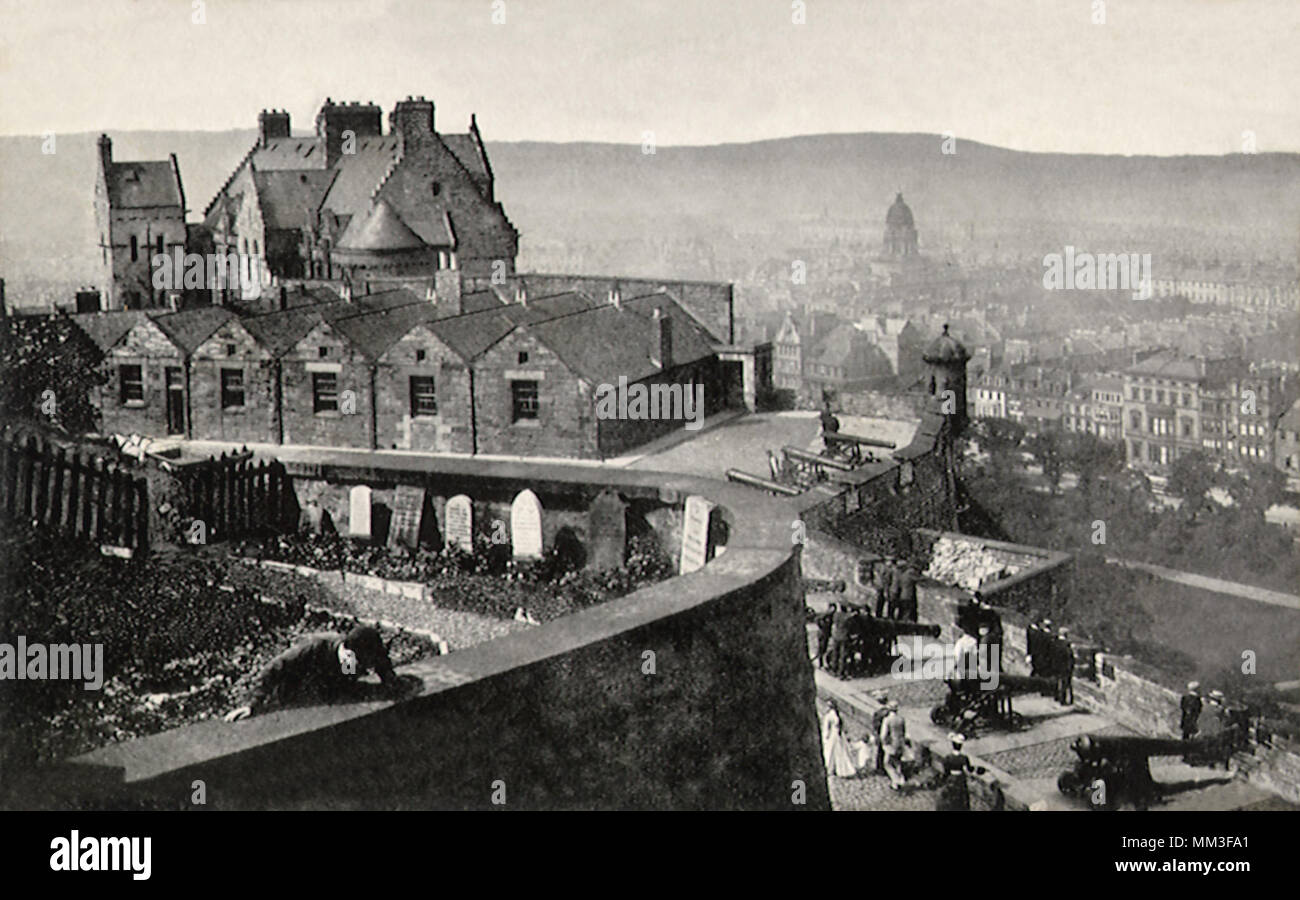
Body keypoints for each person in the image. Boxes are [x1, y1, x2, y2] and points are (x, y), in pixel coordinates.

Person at [225, 625, 400, 721]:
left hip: (334, 691)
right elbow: (274, 668)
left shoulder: (361, 649)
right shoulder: (314, 647)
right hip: (297, 695)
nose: (367, 667)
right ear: (348, 653)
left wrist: (390, 682)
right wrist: (252, 704)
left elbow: (381, 661)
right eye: (361, 663)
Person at [935, 733, 983, 811]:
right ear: (961, 746)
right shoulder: (964, 758)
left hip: (951, 778)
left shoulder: (948, 758)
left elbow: (946, 772)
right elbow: (970, 769)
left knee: (950, 796)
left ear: (952, 745)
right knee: (962, 796)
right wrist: (977, 769)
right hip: (960, 778)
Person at [821, 700, 858, 778]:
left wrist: (825, 737)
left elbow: (826, 728)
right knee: (839, 752)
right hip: (838, 735)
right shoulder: (839, 715)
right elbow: (844, 727)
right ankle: (839, 769)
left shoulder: (829, 716)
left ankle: (830, 768)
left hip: (833, 735)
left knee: (830, 752)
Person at [880, 700, 908, 790]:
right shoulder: (901, 719)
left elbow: (883, 735)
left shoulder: (887, 720)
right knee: (897, 762)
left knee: (887, 763)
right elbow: (903, 732)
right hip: (900, 743)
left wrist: (884, 743)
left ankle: (896, 780)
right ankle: (898, 781)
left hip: (891, 744)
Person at [827, 602, 853, 676]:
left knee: (835, 652)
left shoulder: (836, 615)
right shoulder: (847, 617)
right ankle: (840, 671)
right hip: (843, 637)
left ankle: (833, 669)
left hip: (836, 636)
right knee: (842, 655)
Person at [870, 692, 891, 774]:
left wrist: (875, 732)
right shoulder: (888, 711)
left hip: (880, 733)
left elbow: (875, 724)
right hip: (889, 734)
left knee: (880, 751)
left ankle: (880, 768)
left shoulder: (878, 712)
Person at [814, 603, 836, 668]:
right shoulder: (826, 615)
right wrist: (822, 627)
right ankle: (820, 664)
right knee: (822, 648)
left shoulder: (830, 615)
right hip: (823, 633)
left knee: (824, 648)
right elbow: (817, 619)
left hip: (825, 633)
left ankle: (821, 663)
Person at [1056, 626, 1074, 705]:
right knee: (1065, 683)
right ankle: (1064, 700)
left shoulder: (1054, 642)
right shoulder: (1066, 644)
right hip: (1064, 666)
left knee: (1057, 681)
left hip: (1056, 665)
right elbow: (1069, 656)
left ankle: (1057, 696)